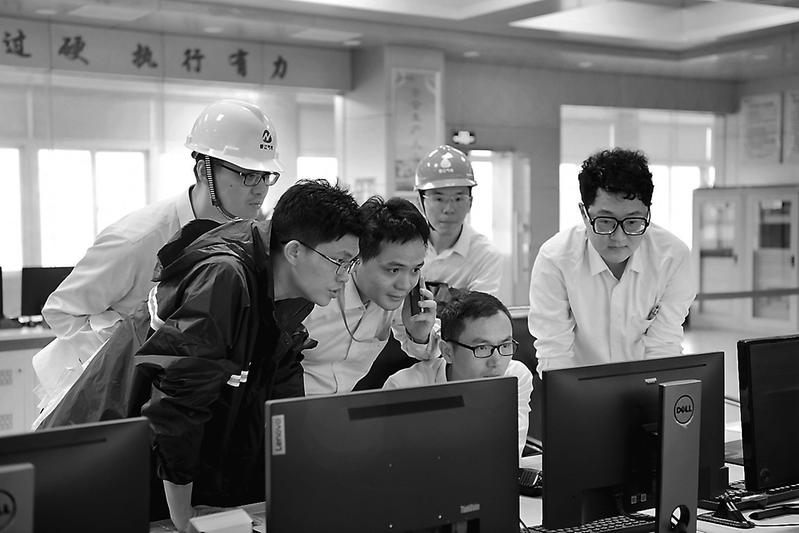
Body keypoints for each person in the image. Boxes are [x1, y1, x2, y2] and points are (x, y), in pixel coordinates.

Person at [33, 99, 284, 417]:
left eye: (265, 175)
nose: (260, 190)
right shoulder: (136, 240)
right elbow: (61, 312)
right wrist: (130, 344)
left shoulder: (243, 238)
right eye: (247, 175)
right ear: (204, 170)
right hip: (95, 404)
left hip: (174, 402)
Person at [136, 179, 361, 530]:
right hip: (123, 454)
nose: (345, 277)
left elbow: (280, 406)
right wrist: (183, 519)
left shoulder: (293, 292)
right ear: (295, 251)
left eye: (351, 264)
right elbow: (178, 407)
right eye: (339, 261)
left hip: (180, 469)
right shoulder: (224, 276)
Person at [528, 148, 695, 375]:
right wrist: (570, 395)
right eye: (605, 221)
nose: (619, 238)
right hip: (580, 387)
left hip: (646, 385)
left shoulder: (672, 257)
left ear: (648, 213)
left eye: (633, 222)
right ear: (584, 213)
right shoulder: (555, 259)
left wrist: (654, 394)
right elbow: (554, 353)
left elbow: (663, 346)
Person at [301, 196, 438, 395]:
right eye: (393, 270)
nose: (405, 284)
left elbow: (428, 354)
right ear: (357, 258)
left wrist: (420, 335)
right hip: (287, 404)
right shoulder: (317, 295)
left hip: (342, 407)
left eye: (415, 270)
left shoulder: (398, 300)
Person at [384, 290, 533, 460]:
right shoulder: (404, 389)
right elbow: (394, 464)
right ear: (447, 352)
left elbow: (506, 456)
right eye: (482, 348)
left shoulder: (516, 377)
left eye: (505, 346)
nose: (496, 362)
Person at [414, 145, 502, 299]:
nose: (449, 209)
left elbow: (480, 310)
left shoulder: (485, 255)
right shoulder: (403, 246)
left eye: (458, 198)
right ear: (420, 202)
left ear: (470, 202)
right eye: (438, 199)